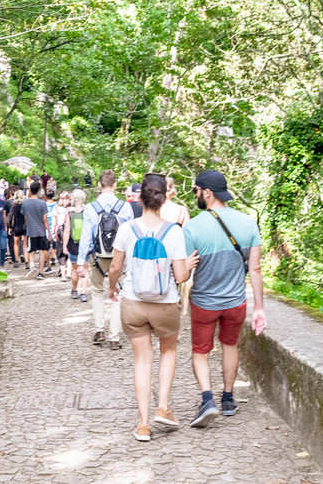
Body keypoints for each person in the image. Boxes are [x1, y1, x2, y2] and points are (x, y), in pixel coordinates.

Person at [107, 174, 198, 442]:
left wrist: (112, 288)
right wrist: (187, 266)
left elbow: (115, 267)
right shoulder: (174, 231)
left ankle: (144, 424)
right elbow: (181, 276)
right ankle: (163, 407)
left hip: (133, 303)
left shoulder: (127, 229)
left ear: (139, 197)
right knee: (168, 351)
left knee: (141, 361)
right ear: (164, 197)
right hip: (165, 304)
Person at [184, 170, 267, 427]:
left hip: (204, 303)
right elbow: (255, 269)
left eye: (197, 190)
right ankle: (229, 399)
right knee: (230, 345)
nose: (196, 195)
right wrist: (259, 309)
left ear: (207, 193)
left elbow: (183, 271)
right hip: (236, 302)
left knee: (200, 351)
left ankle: (207, 399)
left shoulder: (193, 226)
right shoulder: (248, 223)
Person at [77, 170, 134, 349]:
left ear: (99, 185)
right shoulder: (125, 207)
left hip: (98, 256)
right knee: (117, 292)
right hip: (120, 256)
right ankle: (114, 337)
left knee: (96, 291)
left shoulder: (91, 208)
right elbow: (131, 235)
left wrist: (81, 262)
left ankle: (99, 328)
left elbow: (86, 236)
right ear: (115, 185)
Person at [22, 181, 52, 279]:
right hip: (41, 231)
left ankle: (32, 266)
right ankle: (40, 272)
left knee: (32, 250)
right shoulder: (42, 203)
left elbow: (25, 218)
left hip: (31, 230)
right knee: (42, 251)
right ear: (39, 190)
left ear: (30, 190)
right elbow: (45, 220)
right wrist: (49, 232)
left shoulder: (25, 203)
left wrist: (28, 227)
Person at [63, 189, 88, 299]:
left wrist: (64, 245)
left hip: (73, 244)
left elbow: (67, 230)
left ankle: (74, 290)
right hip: (85, 244)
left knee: (74, 269)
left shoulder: (69, 212)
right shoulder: (87, 211)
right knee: (85, 269)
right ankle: (83, 293)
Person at [8, 189, 28, 267]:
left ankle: (16, 261)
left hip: (16, 226)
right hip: (24, 226)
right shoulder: (25, 205)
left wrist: (10, 227)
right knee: (25, 245)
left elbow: (10, 216)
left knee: (16, 243)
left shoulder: (14, 205)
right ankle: (27, 261)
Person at [53, 191, 71, 278]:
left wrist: (53, 234)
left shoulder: (56, 209)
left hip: (60, 230)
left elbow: (54, 223)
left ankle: (64, 274)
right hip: (68, 232)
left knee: (61, 252)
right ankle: (68, 272)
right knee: (69, 251)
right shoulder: (72, 209)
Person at [45, 190, 58, 272]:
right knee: (54, 244)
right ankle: (53, 257)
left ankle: (48, 263)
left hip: (46, 227)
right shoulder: (56, 205)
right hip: (54, 226)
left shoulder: (44, 204)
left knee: (46, 247)